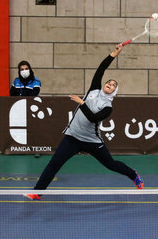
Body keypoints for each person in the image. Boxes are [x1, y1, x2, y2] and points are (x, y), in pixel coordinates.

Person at [25, 44, 144, 200]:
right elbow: (101, 69)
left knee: (111, 165)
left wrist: (82, 103)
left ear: (115, 91)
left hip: (91, 141)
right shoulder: (94, 90)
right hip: (73, 137)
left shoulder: (108, 107)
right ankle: (37, 192)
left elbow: (93, 118)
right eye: (109, 82)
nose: (110, 84)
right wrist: (114, 53)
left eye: (113, 85)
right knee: (54, 163)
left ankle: (133, 174)